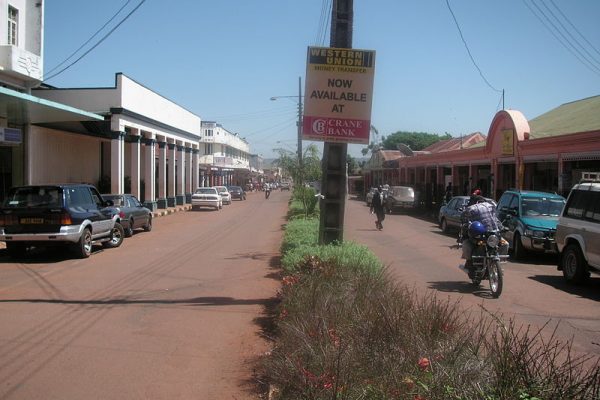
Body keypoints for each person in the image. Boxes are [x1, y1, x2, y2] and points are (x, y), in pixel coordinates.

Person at [460, 194, 503, 270]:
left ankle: (469, 262)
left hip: (482, 234)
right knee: (505, 243)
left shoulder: (472, 208)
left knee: (466, 242)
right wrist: (502, 227)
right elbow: (495, 219)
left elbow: (463, 216)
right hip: (493, 232)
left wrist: (465, 224)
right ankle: (500, 261)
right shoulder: (491, 205)